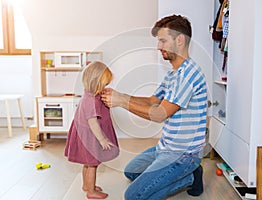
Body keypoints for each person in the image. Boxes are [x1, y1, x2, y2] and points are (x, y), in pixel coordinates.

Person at [101, 14, 207, 199]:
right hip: (165, 148)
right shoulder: (173, 74)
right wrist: (121, 96)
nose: (159, 47)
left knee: (133, 196)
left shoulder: (188, 75)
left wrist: (121, 103)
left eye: (163, 41)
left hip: (183, 155)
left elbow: (159, 114)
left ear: (180, 40)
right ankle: (182, 174)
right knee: (131, 172)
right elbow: (152, 101)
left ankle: (190, 176)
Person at [64, 61, 119, 199]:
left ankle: (86, 185)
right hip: (89, 136)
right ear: (95, 82)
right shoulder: (91, 101)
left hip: (83, 134)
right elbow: (93, 122)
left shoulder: (89, 94)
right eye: (103, 84)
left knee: (87, 163)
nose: (105, 87)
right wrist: (102, 139)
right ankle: (91, 191)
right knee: (92, 164)